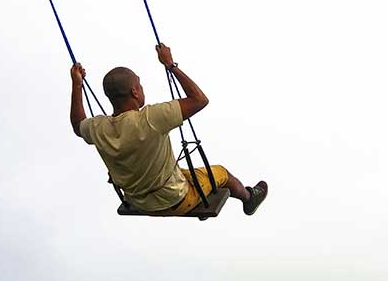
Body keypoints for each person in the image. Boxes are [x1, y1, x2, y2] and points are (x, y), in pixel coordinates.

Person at [69, 44, 268, 216]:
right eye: (140, 84)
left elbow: (78, 125)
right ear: (134, 91)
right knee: (222, 174)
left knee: (185, 173)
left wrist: (77, 85)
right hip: (175, 200)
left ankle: (205, 198)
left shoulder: (98, 127)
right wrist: (170, 65)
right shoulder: (150, 118)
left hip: (138, 202)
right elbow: (200, 100)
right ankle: (249, 198)